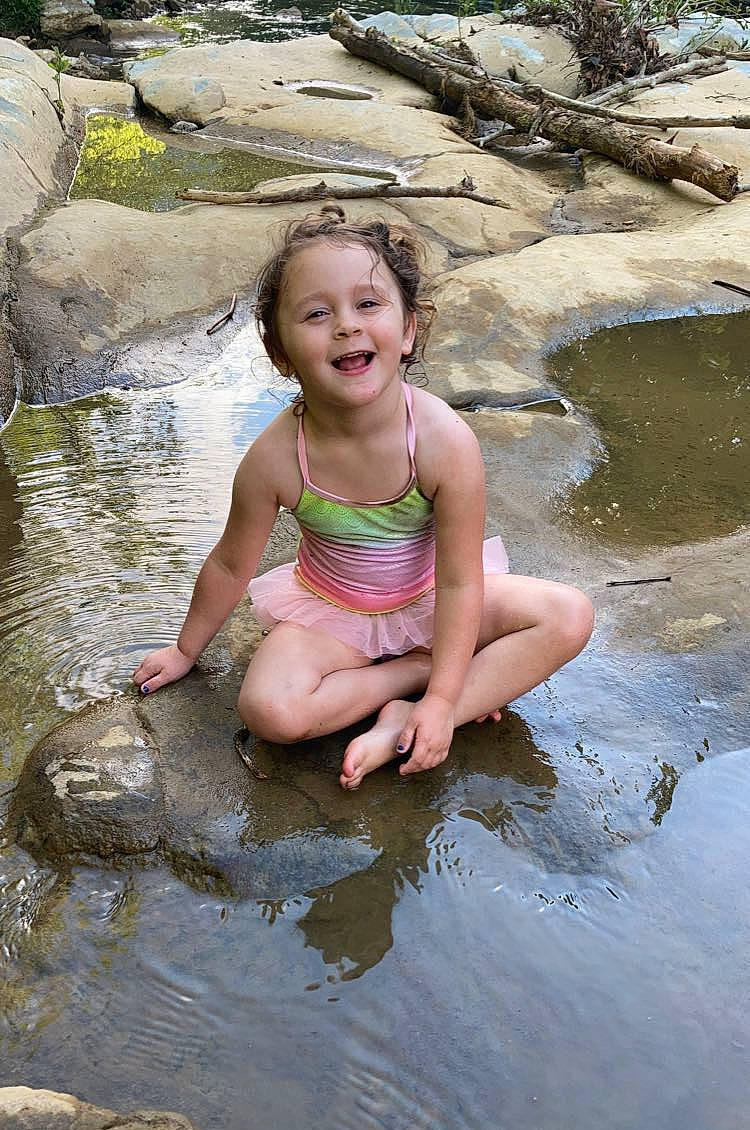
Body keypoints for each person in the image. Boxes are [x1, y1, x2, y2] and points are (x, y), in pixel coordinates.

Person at [133, 208, 593, 790]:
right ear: (280, 353)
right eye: (317, 314)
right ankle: (410, 677)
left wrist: (442, 700)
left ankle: (425, 712)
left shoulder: (443, 442)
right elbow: (230, 563)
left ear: (408, 330)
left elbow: (459, 582)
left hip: (432, 599)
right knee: (269, 710)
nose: (346, 326)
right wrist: (185, 650)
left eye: (368, 304)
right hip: (332, 612)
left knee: (568, 616)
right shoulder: (276, 458)